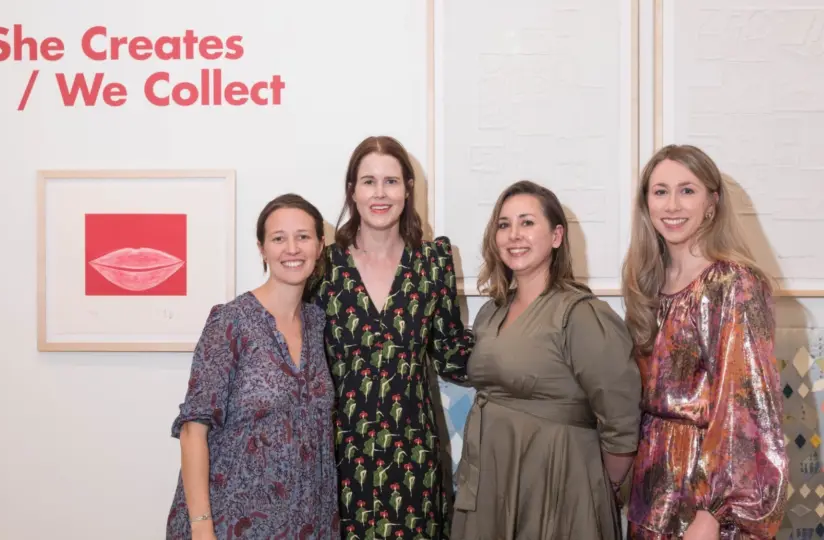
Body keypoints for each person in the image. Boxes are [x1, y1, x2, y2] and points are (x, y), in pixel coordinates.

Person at [449, 180, 642, 539]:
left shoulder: (582, 315)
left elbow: (621, 420)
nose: (513, 235)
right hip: (491, 481)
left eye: (527, 222)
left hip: (559, 482)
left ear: (556, 236)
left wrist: (595, 487)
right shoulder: (491, 312)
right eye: (503, 225)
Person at [307, 135, 474, 539]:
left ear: (408, 189)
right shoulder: (324, 264)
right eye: (368, 181)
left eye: (391, 181)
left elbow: (453, 354)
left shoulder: (433, 261)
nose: (380, 193)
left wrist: (525, 328)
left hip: (414, 458)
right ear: (352, 191)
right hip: (343, 457)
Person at [622, 144, 788, 539]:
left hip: (703, 495)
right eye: (660, 191)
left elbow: (745, 408)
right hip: (650, 487)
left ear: (712, 201)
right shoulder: (646, 282)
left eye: (687, 190)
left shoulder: (734, 284)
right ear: (646, 203)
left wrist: (712, 512)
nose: (672, 205)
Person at [166, 194, 339, 540]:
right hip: (230, 525)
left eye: (303, 236)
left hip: (308, 523)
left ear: (320, 246)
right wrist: (202, 529)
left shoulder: (319, 323)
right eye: (279, 238)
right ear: (262, 248)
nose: (292, 248)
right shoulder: (230, 322)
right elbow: (192, 431)